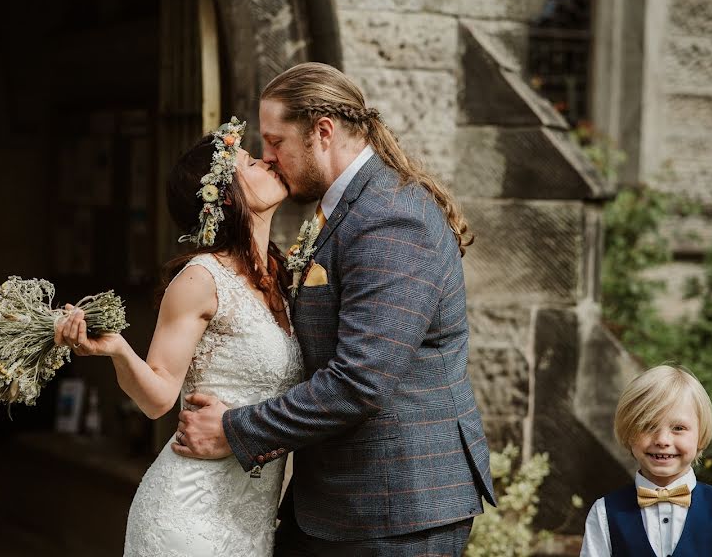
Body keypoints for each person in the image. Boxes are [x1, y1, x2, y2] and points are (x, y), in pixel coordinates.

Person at [173, 62, 496, 556]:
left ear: (322, 132)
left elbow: (360, 379)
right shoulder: (345, 208)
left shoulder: (390, 216)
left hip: (396, 507)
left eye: (277, 141)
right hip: (340, 503)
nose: (269, 156)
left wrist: (235, 430)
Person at [55, 117, 304, 556]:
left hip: (253, 524)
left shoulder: (283, 279)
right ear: (226, 196)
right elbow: (157, 398)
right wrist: (116, 348)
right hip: (189, 518)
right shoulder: (200, 279)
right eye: (250, 161)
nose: (268, 161)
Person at [580, 365, 712, 557]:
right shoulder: (604, 513)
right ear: (629, 434)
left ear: (700, 436)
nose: (662, 440)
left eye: (678, 428)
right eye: (649, 426)